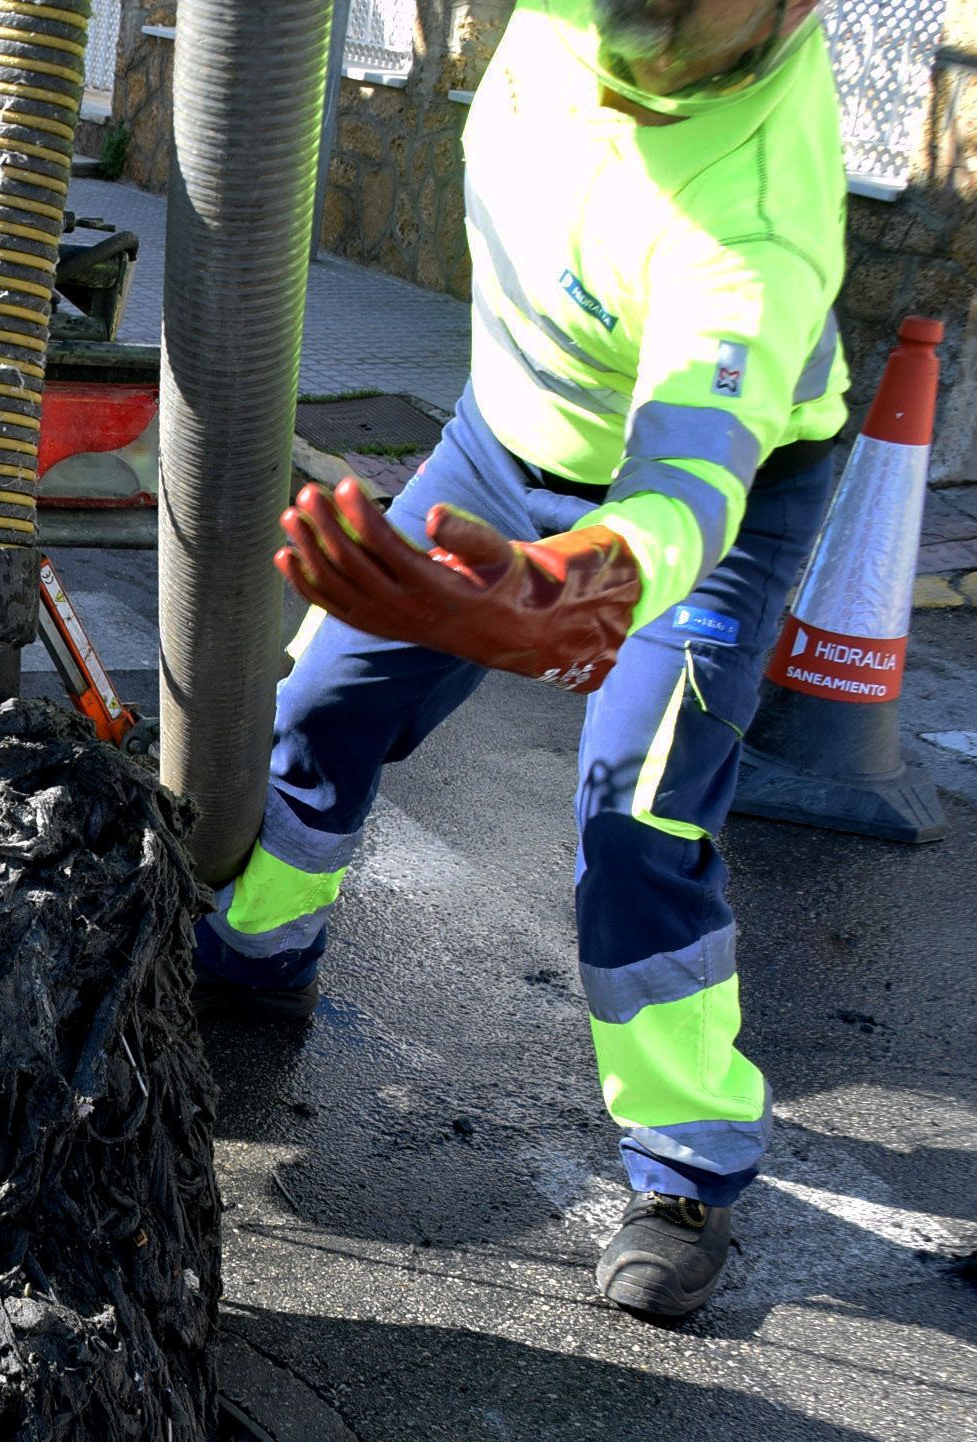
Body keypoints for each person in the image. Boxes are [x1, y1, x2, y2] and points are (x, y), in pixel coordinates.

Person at [197, 0, 849, 1321]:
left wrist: (580, 586)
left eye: (687, 45)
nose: (637, 76)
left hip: (704, 508)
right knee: (323, 697)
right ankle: (259, 951)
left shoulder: (756, 229)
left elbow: (687, 479)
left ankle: (688, 1169)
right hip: (504, 439)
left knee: (639, 821)